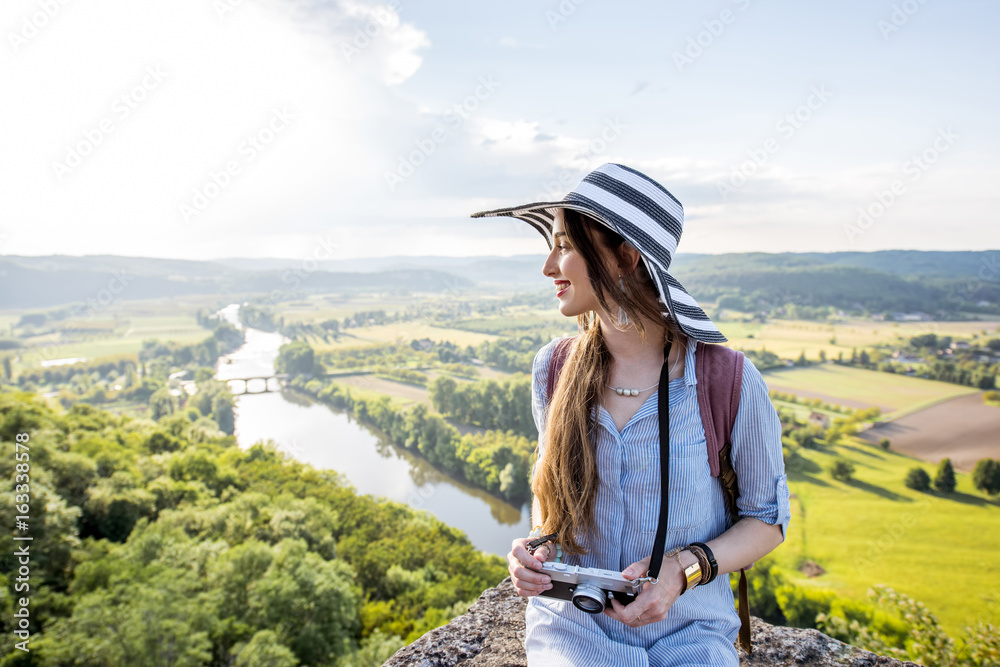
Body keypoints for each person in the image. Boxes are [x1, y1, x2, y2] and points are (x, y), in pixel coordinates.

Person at [470, 163, 791, 666]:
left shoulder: (725, 379)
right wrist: (536, 547)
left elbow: (767, 520)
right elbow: (550, 499)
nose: (549, 267)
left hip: (691, 632)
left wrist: (683, 570)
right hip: (574, 628)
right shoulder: (553, 369)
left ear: (626, 257)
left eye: (566, 246)